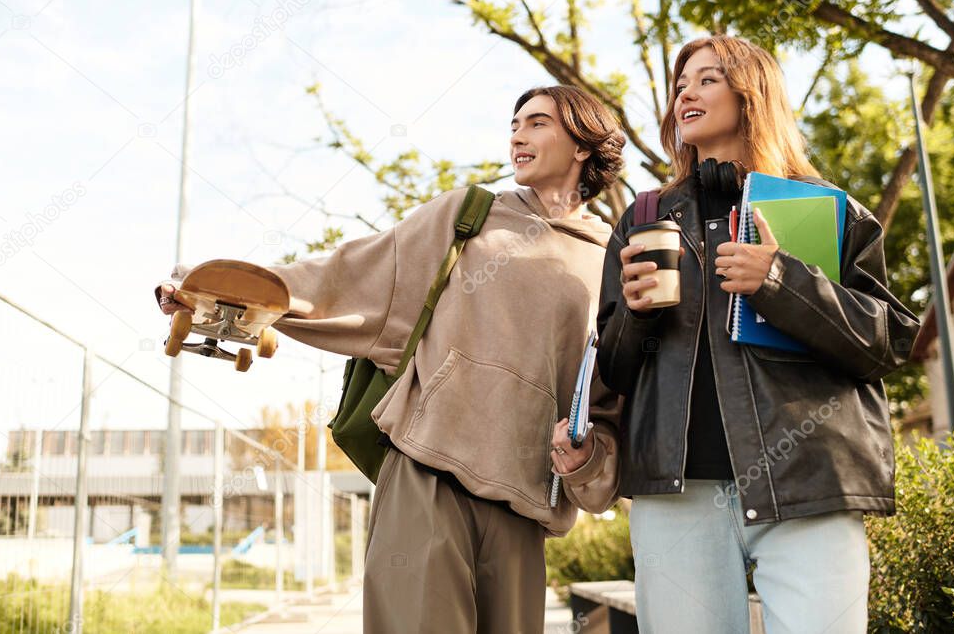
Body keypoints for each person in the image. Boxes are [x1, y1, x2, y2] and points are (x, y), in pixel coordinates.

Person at [156, 85, 625, 633]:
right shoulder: (470, 216)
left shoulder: (609, 259)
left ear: (583, 146)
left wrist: (587, 460)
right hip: (428, 471)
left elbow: (603, 402)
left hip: (523, 500)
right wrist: (217, 291)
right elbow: (348, 273)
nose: (518, 135)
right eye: (514, 124)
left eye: (538, 123)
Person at [596, 35, 921, 633]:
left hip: (809, 486)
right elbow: (613, 372)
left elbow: (888, 341)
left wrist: (779, 281)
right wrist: (635, 316)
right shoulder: (643, 218)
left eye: (707, 79)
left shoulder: (824, 208)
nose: (685, 94)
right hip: (676, 495)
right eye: (680, 85)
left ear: (752, 93)